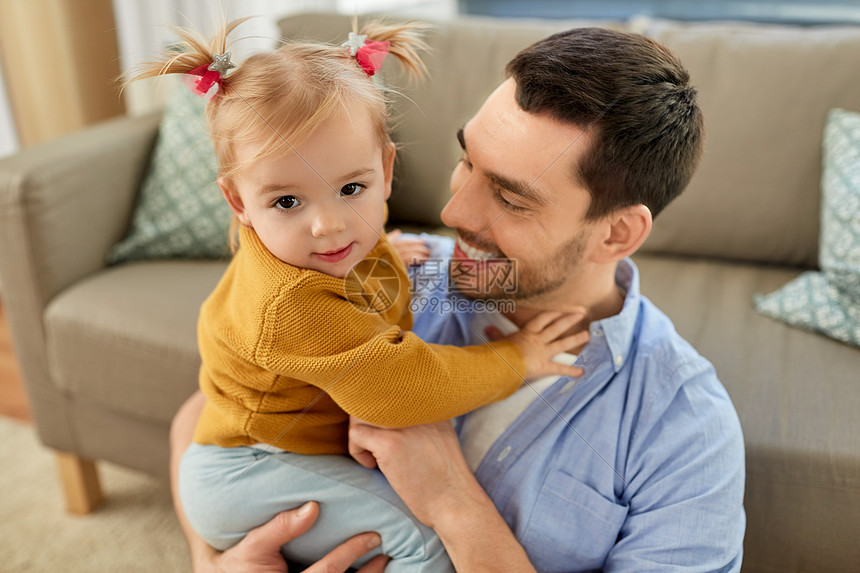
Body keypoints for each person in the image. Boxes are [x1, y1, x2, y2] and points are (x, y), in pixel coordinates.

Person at [171, 25, 746, 572]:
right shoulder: (387, 269)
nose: (453, 215)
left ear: (617, 234)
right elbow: (204, 410)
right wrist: (210, 559)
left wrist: (453, 504)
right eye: (467, 160)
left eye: (512, 199)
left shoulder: (683, 428)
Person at [134, 18, 590, 573]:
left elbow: (404, 285)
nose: (329, 226)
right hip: (253, 469)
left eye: (351, 189)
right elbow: (404, 386)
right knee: (423, 545)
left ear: (387, 171)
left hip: (251, 452)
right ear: (238, 203)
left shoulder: (343, 253)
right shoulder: (295, 304)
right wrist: (518, 357)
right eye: (286, 202)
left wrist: (387, 256)